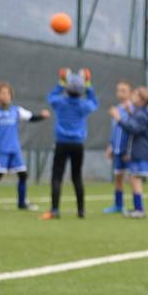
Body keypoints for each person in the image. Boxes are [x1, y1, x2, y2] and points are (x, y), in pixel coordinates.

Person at [0, 82, 50, 211]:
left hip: (14, 149)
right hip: (1, 149)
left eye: (8, 93)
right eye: (3, 93)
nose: (6, 96)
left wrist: (42, 116)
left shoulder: (16, 111)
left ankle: (22, 203)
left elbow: (31, 117)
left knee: (23, 174)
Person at [41, 69, 99, 220]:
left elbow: (51, 97)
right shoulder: (84, 105)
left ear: (66, 89)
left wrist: (62, 81)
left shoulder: (60, 103)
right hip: (78, 144)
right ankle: (81, 211)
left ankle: (55, 210)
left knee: (57, 176)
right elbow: (94, 102)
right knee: (77, 176)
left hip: (62, 143)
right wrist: (88, 82)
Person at [109, 86, 148, 218]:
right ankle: (137, 208)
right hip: (138, 152)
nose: (132, 97)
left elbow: (133, 128)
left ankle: (139, 210)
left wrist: (119, 118)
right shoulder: (139, 113)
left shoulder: (141, 115)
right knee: (133, 178)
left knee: (135, 179)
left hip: (141, 153)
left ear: (142, 100)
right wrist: (130, 113)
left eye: (135, 95)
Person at [102, 80, 134, 214]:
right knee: (118, 177)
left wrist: (129, 150)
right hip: (117, 149)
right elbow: (114, 129)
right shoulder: (116, 109)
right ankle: (118, 205)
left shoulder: (132, 109)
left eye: (123, 91)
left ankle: (136, 206)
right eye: (118, 90)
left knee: (133, 178)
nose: (120, 93)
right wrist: (111, 145)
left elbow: (132, 128)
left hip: (128, 150)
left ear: (130, 93)